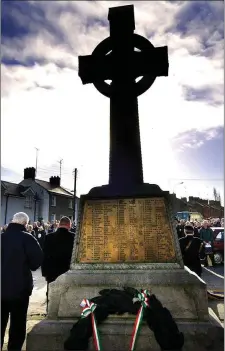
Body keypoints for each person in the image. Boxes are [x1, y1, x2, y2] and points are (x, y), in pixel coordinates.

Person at [1, 212, 43, 351]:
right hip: (20, 289)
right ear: (25, 224)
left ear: (12, 221)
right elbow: (36, 262)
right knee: (18, 324)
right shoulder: (28, 238)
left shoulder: (1, 237)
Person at [41, 216, 75, 310]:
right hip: (67, 271)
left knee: (51, 294)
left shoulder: (49, 237)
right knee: (67, 294)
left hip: (52, 271)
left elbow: (44, 255)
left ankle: (50, 313)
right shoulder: (74, 237)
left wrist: (45, 272)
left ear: (59, 224)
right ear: (69, 225)